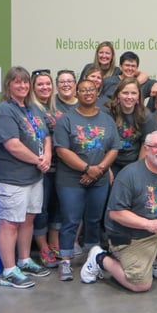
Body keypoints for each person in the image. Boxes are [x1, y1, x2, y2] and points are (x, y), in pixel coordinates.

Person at [79, 131, 157, 292]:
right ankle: (100, 258)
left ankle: (153, 259)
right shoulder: (129, 174)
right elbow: (115, 213)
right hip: (128, 235)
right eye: (156, 146)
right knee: (141, 285)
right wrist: (147, 224)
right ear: (146, 149)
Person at [0, 66, 52, 289]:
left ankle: (24, 261)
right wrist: (38, 160)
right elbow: (12, 145)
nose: (22, 86)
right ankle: (8, 271)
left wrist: (47, 156)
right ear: (9, 85)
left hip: (34, 176)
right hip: (11, 178)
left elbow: (45, 136)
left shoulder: (33, 109)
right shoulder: (4, 111)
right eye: (17, 82)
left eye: (25, 82)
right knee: (10, 222)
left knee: (28, 220)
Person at [54, 79, 121, 281]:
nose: (87, 93)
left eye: (91, 90)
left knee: (93, 220)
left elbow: (114, 148)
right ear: (77, 93)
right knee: (70, 220)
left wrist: (98, 170)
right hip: (70, 180)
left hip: (98, 180)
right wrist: (86, 168)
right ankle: (65, 260)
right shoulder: (66, 119)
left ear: (97, 92)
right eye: (83, 90)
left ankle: (93, 259)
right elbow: (62, 150)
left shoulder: (107, 119)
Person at [30, 69, 61, 268]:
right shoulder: (32, 109)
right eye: (40, 84)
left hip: (61, 166)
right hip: (42, 167)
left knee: (56, 206)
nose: (45, 87)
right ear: (33, 87)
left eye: (48, 84)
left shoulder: (54, 108)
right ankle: (42, 247)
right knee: (41, 208)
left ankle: (53, 242)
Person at [105, 77, 157, 177]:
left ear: (138, 96)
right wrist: (106, 168)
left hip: (134, 161)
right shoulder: (108, 113)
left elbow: (145, 144)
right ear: (118, 94)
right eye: (125, 93)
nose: (129, 97)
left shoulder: (146, 115)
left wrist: (138, 170)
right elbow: (103, 143)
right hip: (111, 161)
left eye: (133, 93)